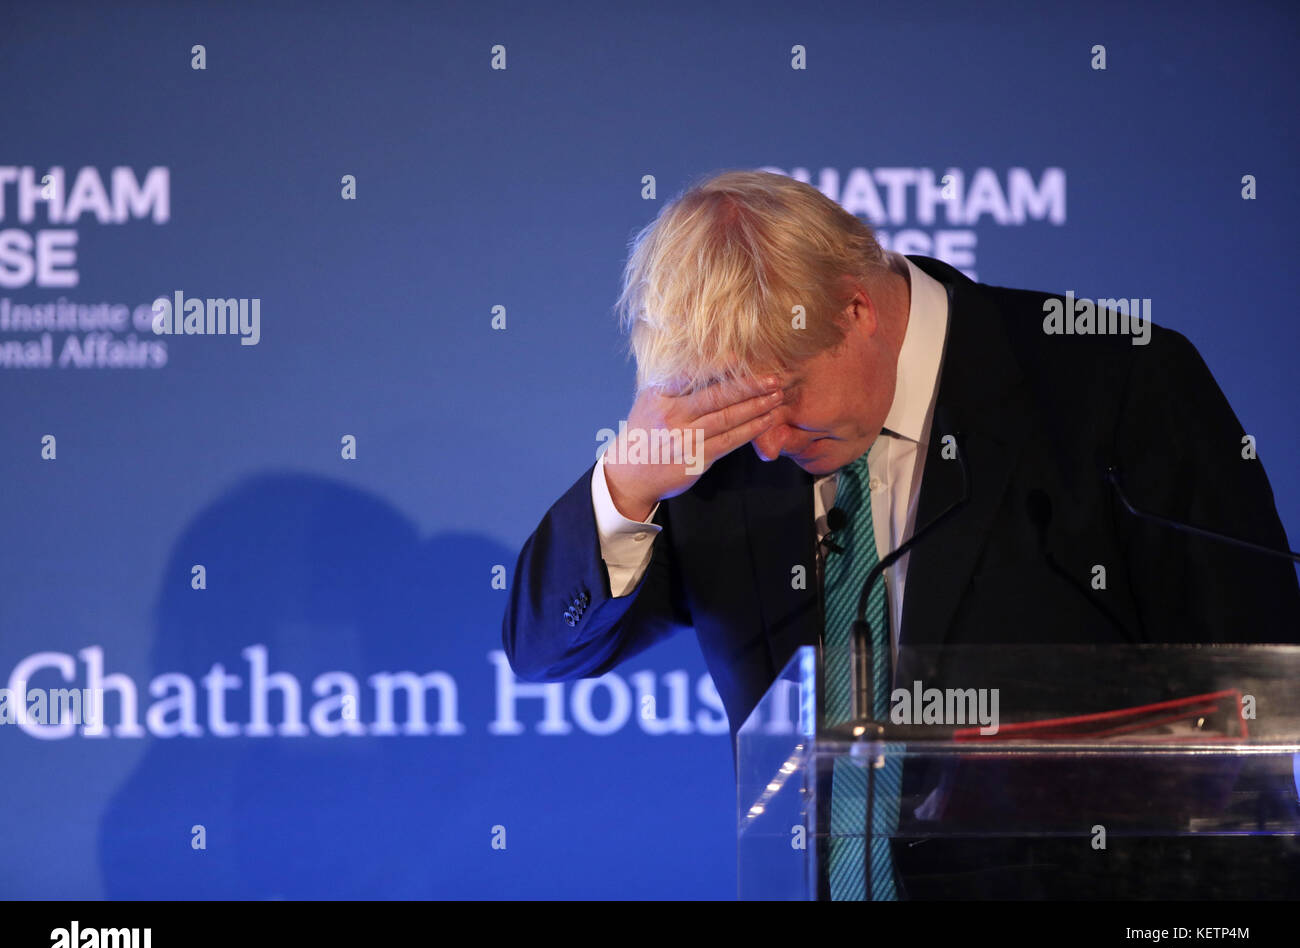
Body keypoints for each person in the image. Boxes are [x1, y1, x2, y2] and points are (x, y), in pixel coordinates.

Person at [502, 168, 1300, 898]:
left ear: (856, 307)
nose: (769, 444)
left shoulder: (1116, 383)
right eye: (743, 413)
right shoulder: (718, 444)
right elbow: (545, 650)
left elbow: (1254, 697)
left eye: (786, 398)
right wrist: (630, 479)